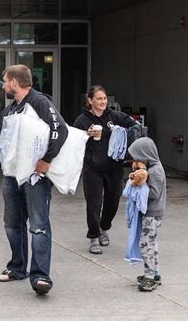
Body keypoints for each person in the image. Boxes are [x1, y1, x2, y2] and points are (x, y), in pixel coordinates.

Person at [0, 64, 68, 295]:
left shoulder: (40, 102)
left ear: (14, 82)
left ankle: (40, 276)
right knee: (12, 224)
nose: (2, 86)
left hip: (35, 178)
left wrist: (46, 159)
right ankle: (17, 267)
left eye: (4, 81)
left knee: (39, 226)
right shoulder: (10, 111)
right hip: (11, 176)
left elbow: (59, 130)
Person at [74, 85, 138, 255]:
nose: (103, 102)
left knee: (113, 201)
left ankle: (104, 227)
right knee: (94, 204)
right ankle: (94, 237)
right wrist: (85, 135)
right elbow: (73, 142)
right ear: (90, 100)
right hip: (92, 169)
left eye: (104, 99)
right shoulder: (82, 120)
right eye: (99, 99)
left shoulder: (115, 117)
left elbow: (135, 127)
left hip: (114, 167)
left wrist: (124, 133)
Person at [127, 137, 166, 292]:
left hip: (152, 214)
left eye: (137, 158)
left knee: (146, 246)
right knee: (152, 244)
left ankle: (149, 276)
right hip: (153, 214)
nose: (135, 162)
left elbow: (154, 194)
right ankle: (155, 274)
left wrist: (138, 187)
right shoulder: (153, 168)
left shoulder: (155, 171)